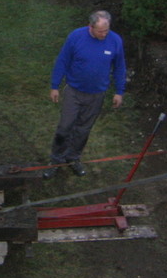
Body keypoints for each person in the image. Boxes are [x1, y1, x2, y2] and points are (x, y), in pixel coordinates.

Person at [44, 10, 126, 179]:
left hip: (97, 95)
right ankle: (56, 160)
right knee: (64, 127)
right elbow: (63, 60)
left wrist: (119, 91)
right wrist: (55, 85)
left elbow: (119, 67)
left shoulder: (115, 41)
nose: (104, 34)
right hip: (74, 91)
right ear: (91, 27)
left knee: (83, 130)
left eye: (106, 30)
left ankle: (73, 158)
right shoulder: (76, 37)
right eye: (100, 31)